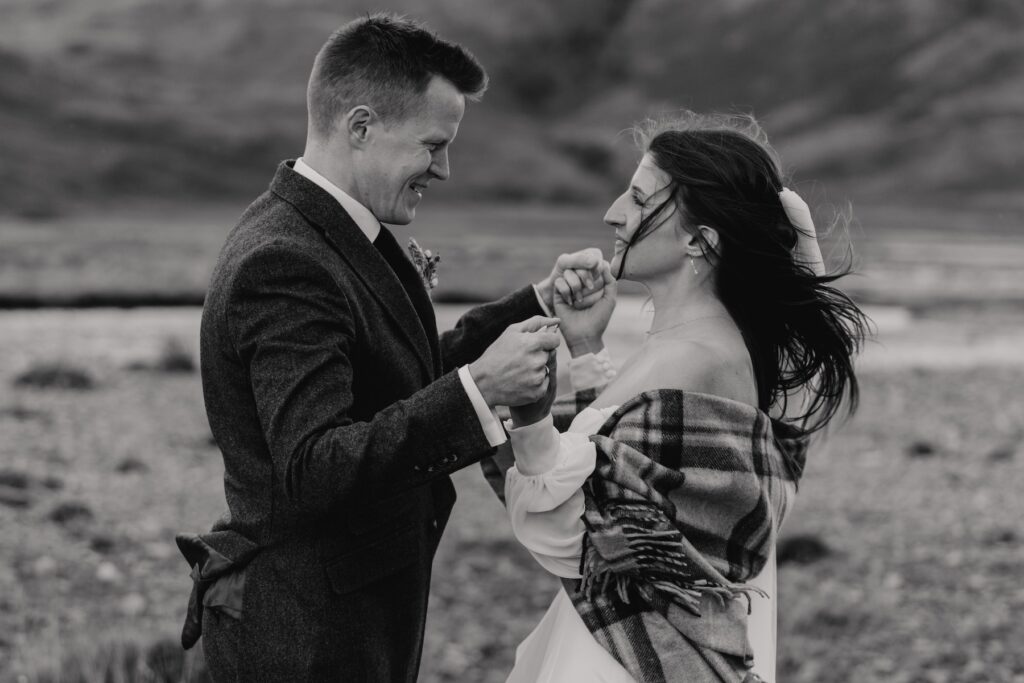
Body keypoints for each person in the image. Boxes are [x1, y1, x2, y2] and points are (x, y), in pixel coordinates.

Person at [174, 14, 608, 682]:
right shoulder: (284, 261)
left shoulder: (336, 229)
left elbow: (397, 371)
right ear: (361, 127)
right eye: (433, 145)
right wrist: (481, 391)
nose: (445, 167)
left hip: (346, 617)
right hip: (300, 638)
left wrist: (540, 302)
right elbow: (313, 467)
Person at [482, 112, 870, 682]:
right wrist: (585, 344)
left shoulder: (690, 358)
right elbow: (633, 469)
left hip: (619, 659)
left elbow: (584, 535)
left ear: (699, 240)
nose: (613, 212)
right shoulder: (711, 349)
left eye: (639, 199)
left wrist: (529, 412)